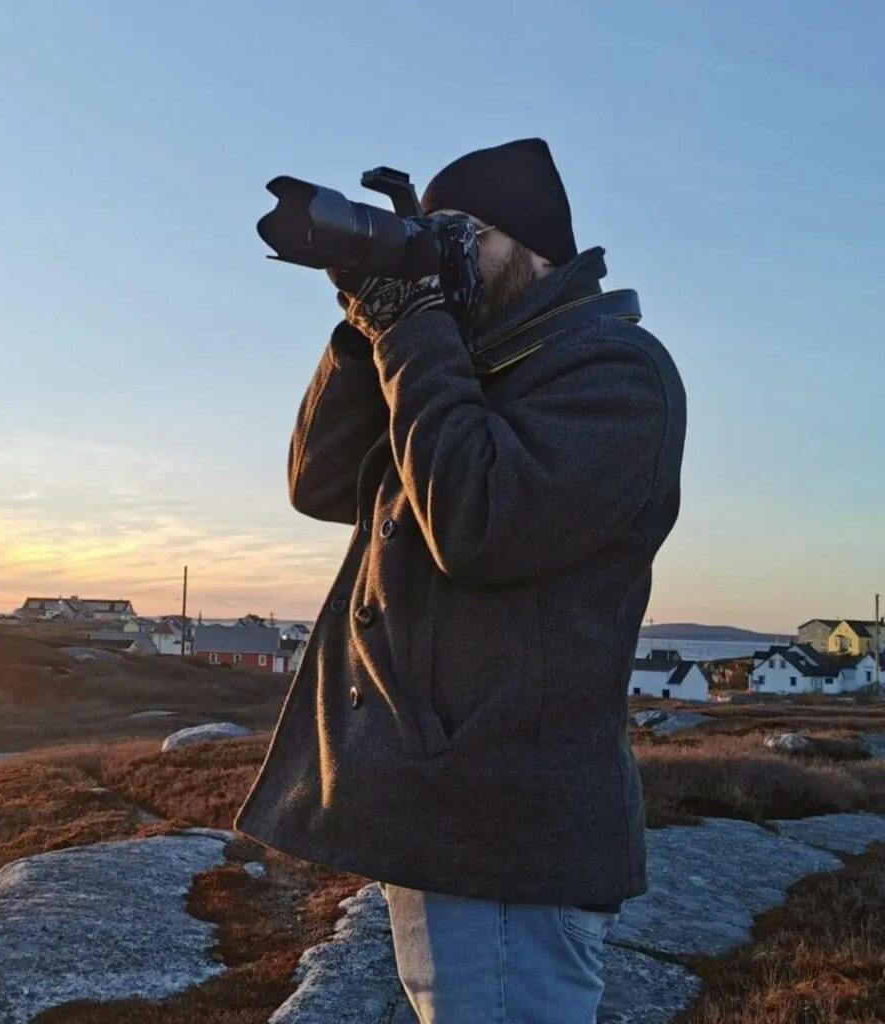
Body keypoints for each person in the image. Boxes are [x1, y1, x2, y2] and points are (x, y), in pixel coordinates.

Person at [234, 138, 687, 1023]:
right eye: (437, 233)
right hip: (452, 808)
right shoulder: (470, 363)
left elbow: (480, 525)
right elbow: (320, 483)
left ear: (534, 246)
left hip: (510, 823)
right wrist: (372, 332)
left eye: (467, 235)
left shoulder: (616, 370)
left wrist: (414, 325)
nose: (450, 255)